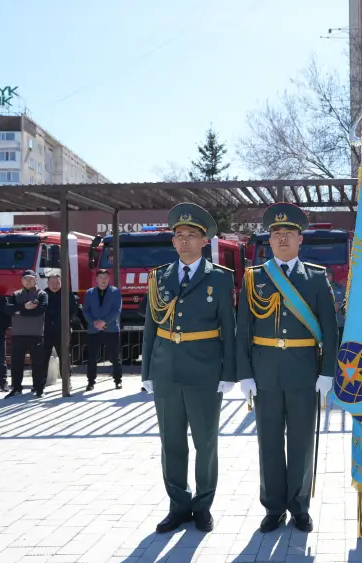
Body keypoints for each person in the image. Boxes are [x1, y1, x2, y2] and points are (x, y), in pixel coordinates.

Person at [236, 202, 339, 534]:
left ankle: (300, 506)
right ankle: (273, 507)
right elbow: (243, 329)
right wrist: (244, 373)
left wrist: (327, 372)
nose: (283, 239)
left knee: (301, 442)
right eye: (277, 233)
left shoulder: (316, 277)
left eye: (290, 233)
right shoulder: (254, 278)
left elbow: (330, 329)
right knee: (268, 442)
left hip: (304, 372)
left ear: (300, 239)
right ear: (269, 240)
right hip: (265, 372)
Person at [141, 203, 236, 534]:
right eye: (179, 235)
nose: (184, 241)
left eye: (191, 235)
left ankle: (203, 505)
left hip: (204, 372)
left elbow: (229, 329)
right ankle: (178, 505)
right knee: (171, 442)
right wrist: (147, 371)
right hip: (166, 370)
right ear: (173, 241)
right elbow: (151, 327)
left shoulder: (220, 278)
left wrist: (229, 373)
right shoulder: (159, 278)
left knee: (205, 442)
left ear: (204, 241)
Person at [4, 270, 49, 398]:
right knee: (16, 363)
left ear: (36, 280)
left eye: (30, 279)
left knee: (38, 363)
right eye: (25, 279)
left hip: (36, 334)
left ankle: (39, 389)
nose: (28, 281)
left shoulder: (42, 294)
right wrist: (25, 306)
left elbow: (40, 310)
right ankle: (16, 388)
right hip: (18, 334)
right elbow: (8, 309)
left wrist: (19, 312)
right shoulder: (15, 294)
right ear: (22, 281)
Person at [84, 269, 123, 391]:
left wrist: (104, 322)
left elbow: (117, 310)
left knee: (115, 357)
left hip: (111, 329)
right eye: (101, 277)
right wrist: (95, 322)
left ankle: (118, 380)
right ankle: (91, 382)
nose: (103, 279)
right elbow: (86, 310)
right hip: (94, 329)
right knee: (92, 357)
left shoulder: (115, 291)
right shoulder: (89, 292)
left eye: (106, 277)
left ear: (109, 278)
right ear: (96, 279)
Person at [42, 273, 80, 378]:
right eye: (52, 283)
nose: (55, 285)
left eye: (57, 283)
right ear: (48, 283)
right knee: (43, 357)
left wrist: (67, 321)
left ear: (61, 283)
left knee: (64, 356)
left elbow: (74, 310)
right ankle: (41, 382)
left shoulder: (67, 294)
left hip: (62, 330)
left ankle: (66, 380)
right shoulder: (43, 294)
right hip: (46, 331)